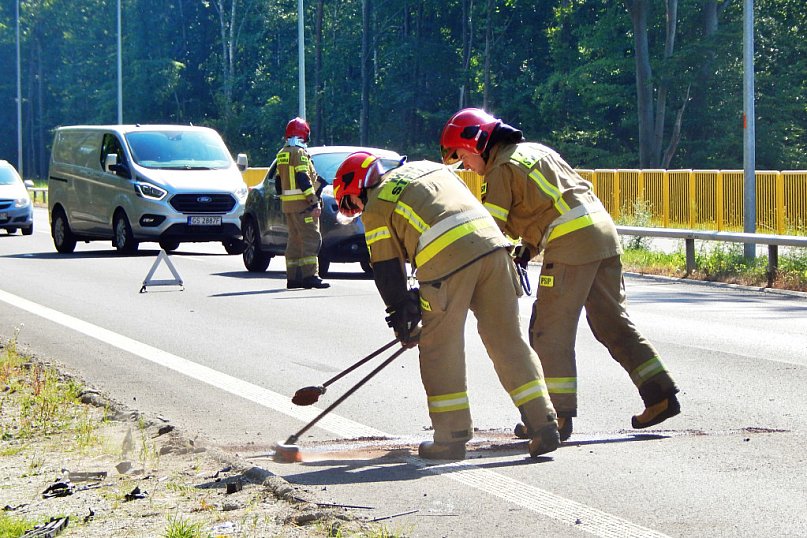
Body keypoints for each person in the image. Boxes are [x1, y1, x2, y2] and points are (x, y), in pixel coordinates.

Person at [439, 108, 680, 442]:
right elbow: (549, 205)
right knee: (612, 323)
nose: (465, 166)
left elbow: (489, 230)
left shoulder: (500, 169)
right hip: (603, 235)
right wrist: (527, 248)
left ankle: (553, 418)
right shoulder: (535, 151)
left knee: (547, 330)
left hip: (572, 244)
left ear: (477, 143)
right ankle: (660, 395)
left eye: (462, 157)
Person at [333, 151, 560, 460]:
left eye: (351, 204)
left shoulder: (376, 206)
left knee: (441, 348)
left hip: (447, 265)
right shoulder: (427, 168)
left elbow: (386, 269)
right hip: (495, 252)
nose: (357, 211)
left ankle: (451, 438)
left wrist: (402, 314)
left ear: (357, 186)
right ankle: (543, 421)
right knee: (508, 341)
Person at [276, 117, 329, 289]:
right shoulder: (299, 153)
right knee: (311, 239)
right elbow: (303, 177)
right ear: (304, 135)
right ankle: (310, 276)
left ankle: (294, 277)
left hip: (289, 206)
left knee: (295, 240)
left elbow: (278, 182)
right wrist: (313, 202)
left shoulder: (282, 153)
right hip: (303, 205)